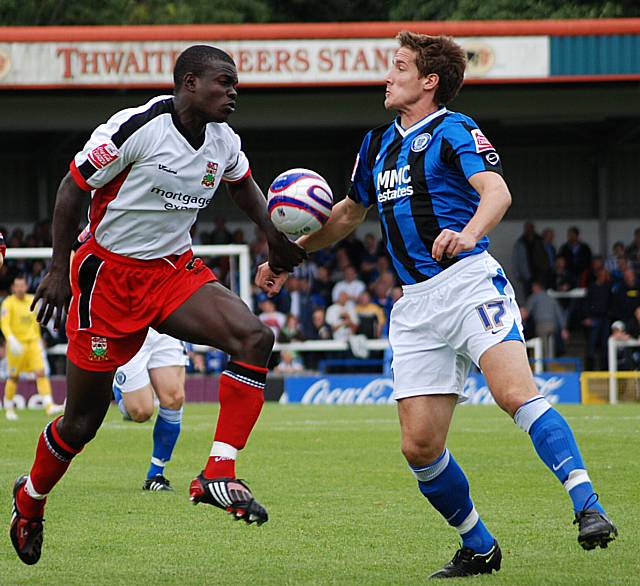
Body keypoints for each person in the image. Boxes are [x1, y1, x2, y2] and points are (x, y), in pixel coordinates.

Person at [256, 31, 616, 578]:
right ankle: (479, 545)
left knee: (514, 393)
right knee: (420, 447)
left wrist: (469, 232)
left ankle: (588, 506)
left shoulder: (454, 129)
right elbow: (350, 214)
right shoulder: (375, 144)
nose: (388, 75)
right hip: (416, 306)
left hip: (469, 283)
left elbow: (496, 192)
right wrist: (291, 253)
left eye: (399, 66)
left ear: (429, 81)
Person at [10, 44, 306, 566]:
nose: (233, 93)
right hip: (106, 278)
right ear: (189, 83)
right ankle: (30, 500)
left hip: (172, 271)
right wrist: (58, 268)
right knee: (81, 424)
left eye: (235, 85)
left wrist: (272, 235)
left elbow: (243, 188)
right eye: (224, 82)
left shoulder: (223, 139)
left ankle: (217, 471)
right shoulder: (138, 127)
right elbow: (70, 189)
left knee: (255, 338)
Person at [111, 328, 188, 491]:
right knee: (141, 412)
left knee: (174, 398)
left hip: (166, 325)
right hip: (131, 327)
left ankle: (155, 475)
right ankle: (117, 386)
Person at [1, 275, 63, 420]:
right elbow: (4, 323)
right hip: (16, 344)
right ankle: (9, 407)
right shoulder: (8, 303)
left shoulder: (32, 300)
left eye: (22, 285)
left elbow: (39, 322)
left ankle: (49, 405)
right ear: (13, 288)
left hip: (33, 343)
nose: (20, 288)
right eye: (17, 286)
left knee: (40, 373)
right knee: (14, 377)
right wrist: (10, 338)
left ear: (26, 286)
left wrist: (42, 339)